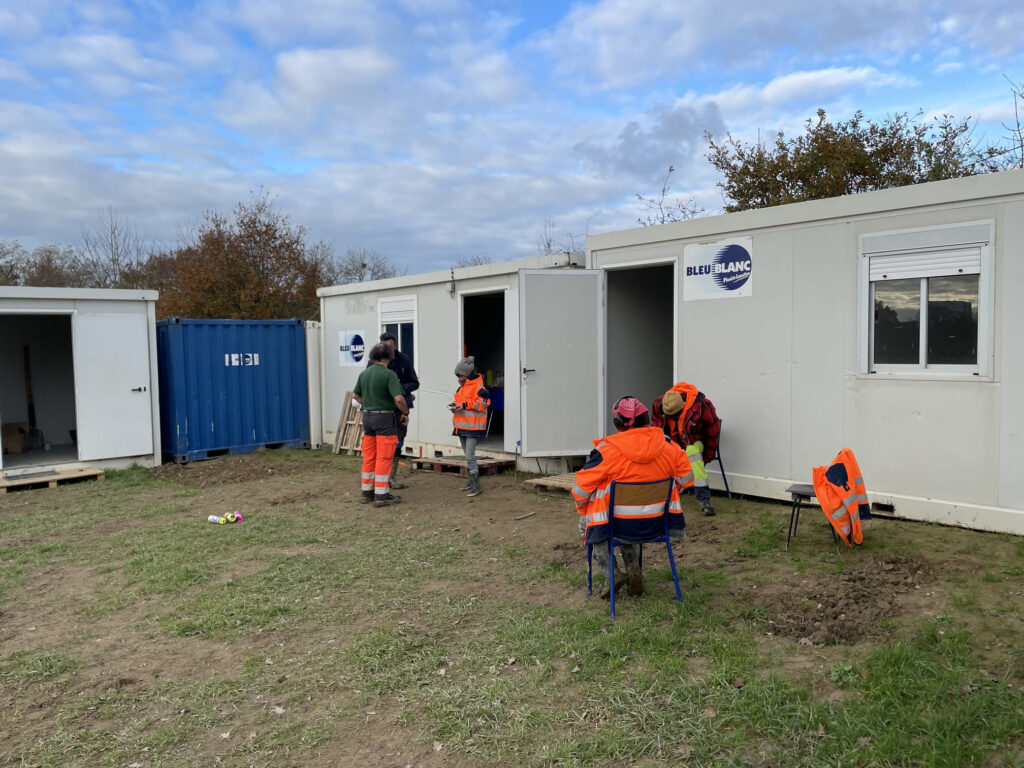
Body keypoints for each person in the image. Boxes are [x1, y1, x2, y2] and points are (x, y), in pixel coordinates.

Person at [572, 396, 693, 598]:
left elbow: (581, 490)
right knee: (626, 515)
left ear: (617, 424)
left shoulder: (607, 450)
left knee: (590, 521)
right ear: (646, 419)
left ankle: (612, 574)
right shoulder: (668, 445)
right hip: (656, 524)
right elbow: (687, 478)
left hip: (615, 525)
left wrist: (583, 507)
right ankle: (633, 568)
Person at [651, 382, 721, 516]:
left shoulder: (702, 406)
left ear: (683, 406)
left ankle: (704, 500)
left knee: (692, 453)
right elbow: (656, 427)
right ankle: (663, 494)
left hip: (697, 442)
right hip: (674, 443)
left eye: (674, 415)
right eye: (668, 415)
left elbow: (713, 432)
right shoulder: (660, 404)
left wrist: (707, 456)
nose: (671, 418)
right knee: (657, 454)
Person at [353, 342, 409, 507]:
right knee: (384, 456)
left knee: (369, 456)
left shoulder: (364, 374)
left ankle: (367, 492)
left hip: (368, 419)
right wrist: (405, 413)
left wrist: (369, 403)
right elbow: (399, 399)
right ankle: (382, 495)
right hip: (384, 419)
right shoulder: (389, 375)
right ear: (389, 357)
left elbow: (356, 396)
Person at [372, 331, 419, 490]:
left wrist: (397, 389)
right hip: (382, 410)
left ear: (396, 346)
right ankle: (378, 478)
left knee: (397, 443)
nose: (387, 351)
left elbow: (414, 383)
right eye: (384, 347)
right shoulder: (374, 363)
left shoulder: (404, 359)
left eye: (390, 347)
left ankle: (391, 477)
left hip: (400, 409)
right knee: (381, 446)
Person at [450, 356, 489, 498]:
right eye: (458, 375)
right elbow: (459, 401)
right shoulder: (461, 387)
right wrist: (455, 407)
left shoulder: (479, 387)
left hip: (473, 428)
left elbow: (485, 403)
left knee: (470, 456)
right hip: (461, 426)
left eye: (460, 375)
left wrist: (466, 405)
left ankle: (476, 486)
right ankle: (470, 482)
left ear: (467, 374)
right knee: (467, 456)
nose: (458, 377)